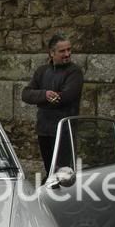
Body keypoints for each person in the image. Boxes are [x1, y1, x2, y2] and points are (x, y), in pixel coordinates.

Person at [22, 34, 84, 177]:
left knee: (64, 172)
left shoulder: (74, 72)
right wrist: (45, 95)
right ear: (52, 53)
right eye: (62, 51)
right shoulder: (42, 71)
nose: (67, 54)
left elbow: (67, 96)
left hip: (64, 130)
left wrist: (51, 98)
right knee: (49, 169)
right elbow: (26, 94)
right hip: (44, 128)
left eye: (69, 50)